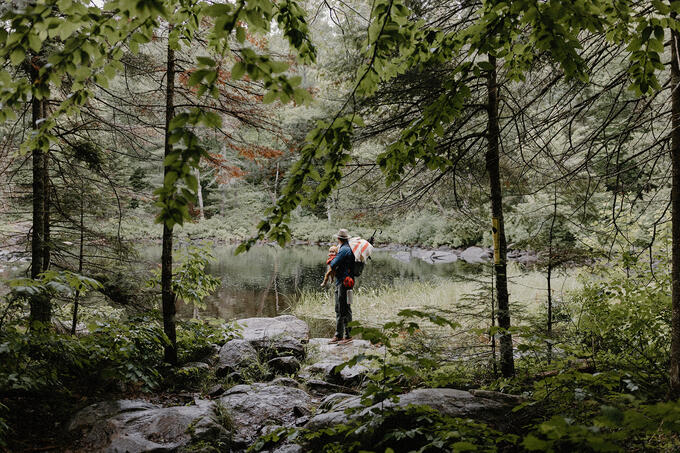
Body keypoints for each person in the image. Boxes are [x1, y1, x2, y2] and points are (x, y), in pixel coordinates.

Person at [328, 228, 354, 344]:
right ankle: (339, 335)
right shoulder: (346, 248)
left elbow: (333, 264)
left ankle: (348, 336)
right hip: (344, 282)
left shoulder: (344, 250)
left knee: (344, 309)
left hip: (344, 283)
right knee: (340, 308)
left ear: (339, 239)